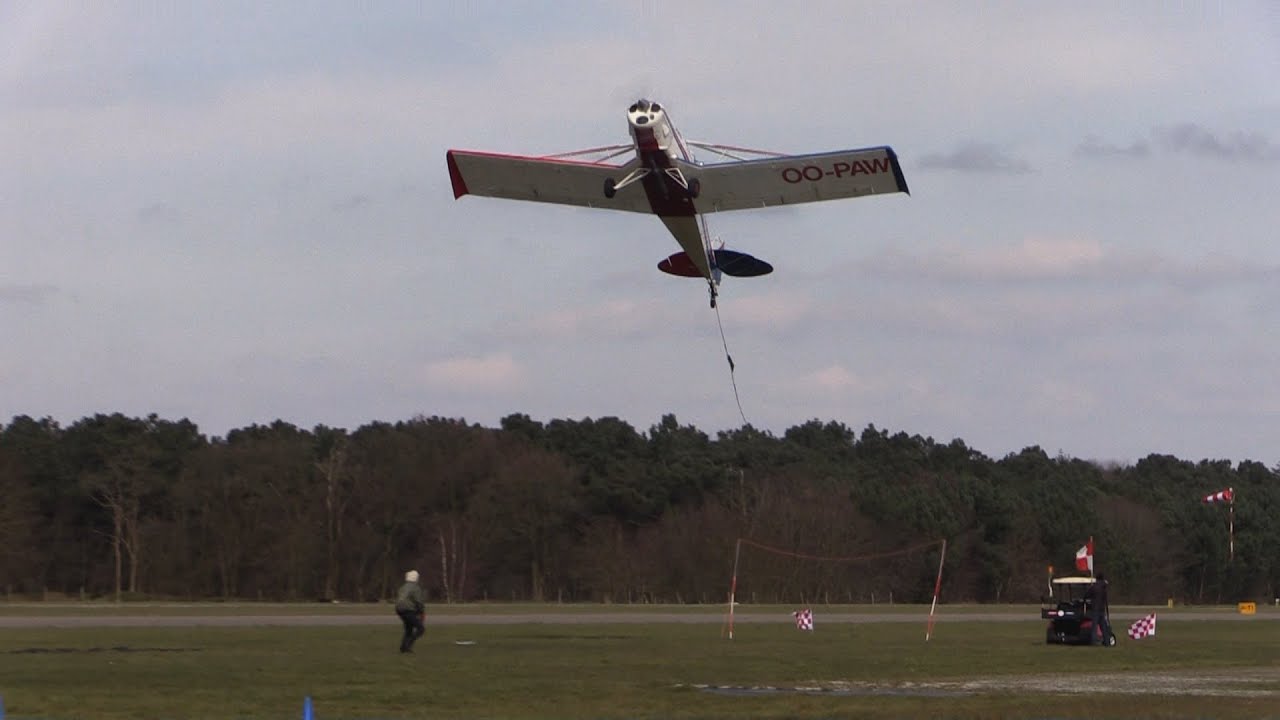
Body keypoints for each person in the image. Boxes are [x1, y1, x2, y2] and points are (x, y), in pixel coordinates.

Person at [395, 569, 425, 653]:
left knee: (408, 629)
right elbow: (418, 601)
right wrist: (421, 611)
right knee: (420, 629)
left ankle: (403, 648)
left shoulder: (403, 587)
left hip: (399, 610)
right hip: (408, 610)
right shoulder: (415, 588)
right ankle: (408, 645)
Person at [1085, 573, 1113, 645]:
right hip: (1102, 609)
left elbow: (1087, 595)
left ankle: (1093, 641)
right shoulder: (1104, 587)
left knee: (1094, 626)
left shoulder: (1094, 587)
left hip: (1095, 609)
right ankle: (1106, 641)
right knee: (1103, 626)